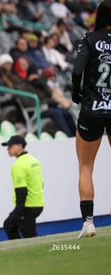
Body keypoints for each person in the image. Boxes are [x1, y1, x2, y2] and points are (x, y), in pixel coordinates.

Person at [71, 0, 111, 239]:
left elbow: (77, 71)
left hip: (92, 107)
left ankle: (88, 223)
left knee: (86, 167)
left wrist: (77, 92)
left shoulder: (89, 38)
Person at [1, 135, 45, 239]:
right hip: (38, 203)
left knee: (27, 235)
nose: (8, 149)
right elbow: (41, 183)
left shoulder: (18, 165)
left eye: (11, 146)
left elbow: (21, 190)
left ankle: (22, 251)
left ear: (20, 146)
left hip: (27, 206)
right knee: (10, 225)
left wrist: (19, 211)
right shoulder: (34, 161)